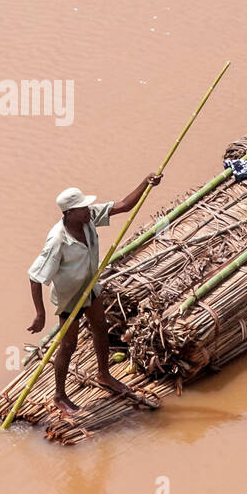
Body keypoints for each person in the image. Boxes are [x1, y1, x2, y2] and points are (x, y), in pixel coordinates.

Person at [26, 175, 161, 415]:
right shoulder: (58, 240)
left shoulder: (87, 219)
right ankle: (59, 395)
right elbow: (35, 277)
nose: (88, 211)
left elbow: (122, 206)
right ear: (69, 213)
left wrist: (145, 183)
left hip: (90, 287)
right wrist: (40, 314)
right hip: (70, 297)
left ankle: (104, 374)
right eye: (82, 209)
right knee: (68, 344)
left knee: (100, 326)